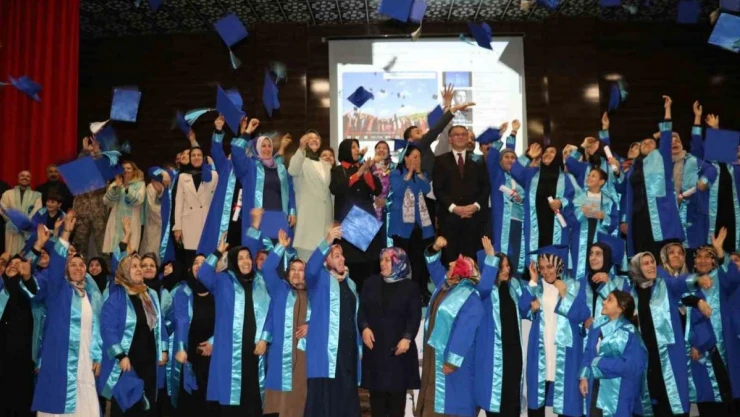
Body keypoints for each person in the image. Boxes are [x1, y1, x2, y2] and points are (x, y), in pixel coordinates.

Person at [23, 215, 104, 417]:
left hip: (85, 359)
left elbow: (96, 327)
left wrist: (97, 355)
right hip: (59, 358)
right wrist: (66, 233)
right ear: (66, 269)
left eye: (81, 265)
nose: (78, 267)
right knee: (58, 404)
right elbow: (54, 267)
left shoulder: (90, 296)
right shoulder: (58, 290)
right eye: (72, 264)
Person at [415, 235, 492, 417]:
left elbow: (465, 331)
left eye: (453, 264)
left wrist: (452, 360)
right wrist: (435, 248)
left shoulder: (470, 297)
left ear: (459, 272)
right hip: (435, 353)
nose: (449, 264)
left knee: (453, 402)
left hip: (454, 360)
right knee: (433, 395)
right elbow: (433, 264)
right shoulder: (446, 286)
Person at [627, 251, 711, 417]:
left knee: (673, 401)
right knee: (651, 402)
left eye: (652, 262)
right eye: (645, 263)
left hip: (669, 355)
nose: (651, 266)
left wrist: (698, 281)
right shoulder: (631, 294)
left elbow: (680, 283)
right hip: (646, 357)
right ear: (636, 268)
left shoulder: (664, 285)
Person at [196, 232, 269, 417]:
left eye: (248, 257)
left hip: (255, 351)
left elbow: (271, 312)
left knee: (253, 401)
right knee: (231, 402)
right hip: (230, 352)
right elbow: (203, 274)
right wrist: (217, 252)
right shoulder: (223, 280)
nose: (245, 261)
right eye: (240, 258)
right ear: (233, 261)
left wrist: (265, 339)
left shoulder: (261, 281)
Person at [520, 245, 589, 417]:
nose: (546, 272)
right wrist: (533, 280)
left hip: (565, 352)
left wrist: (565, 293)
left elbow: (583, 315)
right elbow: (522, 309)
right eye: (542, 267)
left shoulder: (574, 285)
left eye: (550, 266)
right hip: (541, 350)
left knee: (567, 403)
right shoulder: (537, 287)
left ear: (559, 265)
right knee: (536, 403)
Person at [99, 252, 168, 417]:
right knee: (128, 407)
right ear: (124, 271)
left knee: (148, 406)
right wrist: (121, 356)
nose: (139, 269)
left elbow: (159, 323)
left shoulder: (150, 294)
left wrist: (163, 349)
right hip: (128, 363)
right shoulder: (116, 296)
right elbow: (107, 329)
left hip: (149, 360)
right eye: (134, 266)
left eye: (140, 266)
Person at [303, 226, 362, 417]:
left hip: (347, 349)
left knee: (346, 397)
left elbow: (355, 317)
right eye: (336, 256)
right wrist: (327, 241)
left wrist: (359, 346)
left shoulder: (350, 283)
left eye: (342, 255)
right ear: (325, 261)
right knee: (325, 400)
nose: (342, 259)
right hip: (326, 351)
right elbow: (310, 268)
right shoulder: (319, 280)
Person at [616, 96, 685, 258]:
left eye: (650, 142)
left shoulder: (662, 158)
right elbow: (625, 193)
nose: (646, 144)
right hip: (639, 217)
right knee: (642, 256)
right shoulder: (633, 167)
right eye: (643, 143)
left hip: (661, 216)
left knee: (662, 256)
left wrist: (667, 110)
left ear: (656, 147)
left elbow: (666, 135)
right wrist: (625, 219)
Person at [359, 247, 421, 417]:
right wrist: (364, 328)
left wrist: (407, 338)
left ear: (399, 262)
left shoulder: (411, 287)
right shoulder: (370, 283)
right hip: (375, 352)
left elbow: (414, 316)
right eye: (381, 259)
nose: (383, 263)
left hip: (398, 353)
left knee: (396, 406)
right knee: (377, 405)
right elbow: (362, 311)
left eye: (388, 260)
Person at [686, 228, 740, 416]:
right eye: (699, 257)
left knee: (730, 395)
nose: (702, 260)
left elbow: (734, 278)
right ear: (693, 261)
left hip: (725, 344)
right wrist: (695, 341)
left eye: (708, 257)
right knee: (709, 399)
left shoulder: (720, 277)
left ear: (713, 261)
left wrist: (719, 250)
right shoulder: (689, 283)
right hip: (700, 349)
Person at [475, 239, 526, 417]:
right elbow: (483, 288)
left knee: (512, 399)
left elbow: (525, 308)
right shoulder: (485, 291)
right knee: (496, 399)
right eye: (501, 266)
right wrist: (490, 258)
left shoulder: (513, 286)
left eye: (507, 265)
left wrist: (533, 283)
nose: (507, 269)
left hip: (513, 353)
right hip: (494, 354)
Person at [262, 230, 310, 417]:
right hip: (280, 352)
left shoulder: (312, 294)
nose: (297, 273)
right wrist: (280, 247)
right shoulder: (279, 288)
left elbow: (323, 317)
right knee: (278, 399)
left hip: (303, 353)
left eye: (301, 270)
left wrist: (311, 325)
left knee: (299, 395)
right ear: (288, 273)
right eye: (293, 269)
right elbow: (267, 269)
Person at [512, 143, 579, 273]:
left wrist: (561, 202)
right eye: (545, 152)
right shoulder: (531, 174)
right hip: (535, 228)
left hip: (556, 228)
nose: (547, 154)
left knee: (555, 264)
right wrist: (528, 156)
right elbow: (515, 172)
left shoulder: (566, 178)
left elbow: (575, 200)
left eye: (552, 152)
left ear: (558, 157)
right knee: (534, 264)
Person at [579, 290, 647, 417]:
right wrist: (584, 376)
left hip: (619, 390)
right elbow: (588, 352)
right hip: (594, 386)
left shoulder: (629, 332)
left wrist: (599, 363)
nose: (603, 302)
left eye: (609, 300)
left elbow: (634, 366)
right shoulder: (596, 326)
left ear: (621, 308)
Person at [330, 139, 383, 292]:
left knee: (370, 263)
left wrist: (366, 171)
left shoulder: (364, 167)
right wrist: (358, 173)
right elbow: (337, 188)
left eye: (357, 147)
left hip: (367, 222)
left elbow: (377, 189)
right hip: (349, 224)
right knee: (351, 262)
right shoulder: (338, 170)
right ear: (345, 149)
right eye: (353, 147)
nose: (356, 150)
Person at [432, 125, 490, 264]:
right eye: (456, 135)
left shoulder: (478, 159)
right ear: (450, 139)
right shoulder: (440, 160)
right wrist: (454, 208)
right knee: (450, 261)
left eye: (464, 134)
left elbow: (486, 187)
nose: (461, 137)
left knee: (472, 261)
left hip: (474, 219)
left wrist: (475, 206)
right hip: (449, 219)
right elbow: (438, 189)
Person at [171, 254, 218, 416]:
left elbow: (227, 321)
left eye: (204, 263)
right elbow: (181, 321)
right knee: (190, 403)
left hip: (215, 353)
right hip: (189, 354)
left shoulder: (218, 291)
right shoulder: (182, 291)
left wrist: (214, 342)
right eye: (195, 263)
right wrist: (181, 348)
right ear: (190, 269)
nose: (199, 265)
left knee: (211, 403)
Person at [231, 132, 297, 247]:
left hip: (280, 217)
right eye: (263, 146)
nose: (267, 149)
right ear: (257, 148)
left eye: (269, 146)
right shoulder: (250, 167)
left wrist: (292, 211)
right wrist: (247, 133)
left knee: (281, 251)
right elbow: (236, 153)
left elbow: (290, 190)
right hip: (259, 219)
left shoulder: (281, 169)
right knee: (259, 253)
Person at [388, 144, 435, 303]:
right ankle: (402, 294)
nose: (417, 160)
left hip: (419, 224)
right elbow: (398, 191)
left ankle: (420, 291)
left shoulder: (421, 175)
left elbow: (426, 189)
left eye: (419, 157)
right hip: (401, 225)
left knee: (419, 260)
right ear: (405, 158)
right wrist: (409, 173)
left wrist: (418, 172)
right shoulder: (396, 173)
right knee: (401, 260)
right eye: (414, 157)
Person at [485, 122, 526, 278]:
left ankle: (516, 282)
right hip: (502, 221)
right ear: (500, 161)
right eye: (506, 157)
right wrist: (507, 134)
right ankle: (500, 282)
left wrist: (521, 199)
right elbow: (492, 156)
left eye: (513, 158)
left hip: (520, 222)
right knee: (502, 253)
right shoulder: (497, 175)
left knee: (518, 254)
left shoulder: (521, 177)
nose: (510, 160)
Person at [288, 130, 333, 261]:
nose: (314, 140)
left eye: (316, 138)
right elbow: (292, 170)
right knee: (306, 265)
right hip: (308, 224)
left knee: (324, 266)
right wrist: (301, 148)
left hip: (326, 224)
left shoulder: (326, 165)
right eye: (310, 138)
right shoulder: (300, 161)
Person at [0, 254, 36, 416]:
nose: (13, 266)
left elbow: (33, 292)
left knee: (19, 395)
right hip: (2, 351)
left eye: (17, 264)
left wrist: (26, 277)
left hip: (21, 351)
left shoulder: (27, 288)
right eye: (10, 264)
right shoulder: (1, 287)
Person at [173, 146, 218, 268]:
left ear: (203, 158)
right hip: (188, 224)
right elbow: (179, 203)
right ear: (190, 158)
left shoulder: (213, 175)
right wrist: (177, 227)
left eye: (199, 155)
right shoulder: (183, 177)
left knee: (206, 259)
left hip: (207, 223)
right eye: (193, 155)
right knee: (190, 260)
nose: (196, 157)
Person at [570, 168, 620, 278]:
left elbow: (614, 225)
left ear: (601, 181)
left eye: (593, 176)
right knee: (580, 273)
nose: (589, 178)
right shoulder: (577, 199)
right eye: (588, 175)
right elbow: (569, 221)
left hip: (600, 242)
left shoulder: (609, 202)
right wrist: (580, 212)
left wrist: (604, 217)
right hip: (580, 242)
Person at [72, 137, 109, 260]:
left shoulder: (102, 170)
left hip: (99, 212)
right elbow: (78, 167)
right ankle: (78, 268)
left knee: (103, 248)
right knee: (80, 247)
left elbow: (103, 168)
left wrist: (97, 152)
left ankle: (105, 270)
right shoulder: (81, 171)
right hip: (81, 212)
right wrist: (85, 151)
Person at [103, 161, 146, 255]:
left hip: (132, 220)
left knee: (130, 252)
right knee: (114, 251)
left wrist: (126, 189)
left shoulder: (140, 184)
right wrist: (116, 188)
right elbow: (107, 202)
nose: (126, 170)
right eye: (123, 168)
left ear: (134, 170)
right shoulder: (115, 184)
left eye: (128, 168)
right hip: (116, 221)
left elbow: (138, 200)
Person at [1, 170, 42, 255]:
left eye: (27, 176)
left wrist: (25, 224)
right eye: (22, 176)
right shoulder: (7, 194)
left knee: (25, 255)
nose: (25, 178)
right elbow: (3, 208)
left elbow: (37, 210)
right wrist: (12, 222)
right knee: (10, 255)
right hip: (12, 229)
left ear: (30, 179)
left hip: (28, 231)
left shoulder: (37, 195)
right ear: (18, 178)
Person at [140, 178, 163, 256]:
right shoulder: (152, 187)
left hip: (171, 231)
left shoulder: (174, 184)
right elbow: (154, 210)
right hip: (154, 228)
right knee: (151, 255)